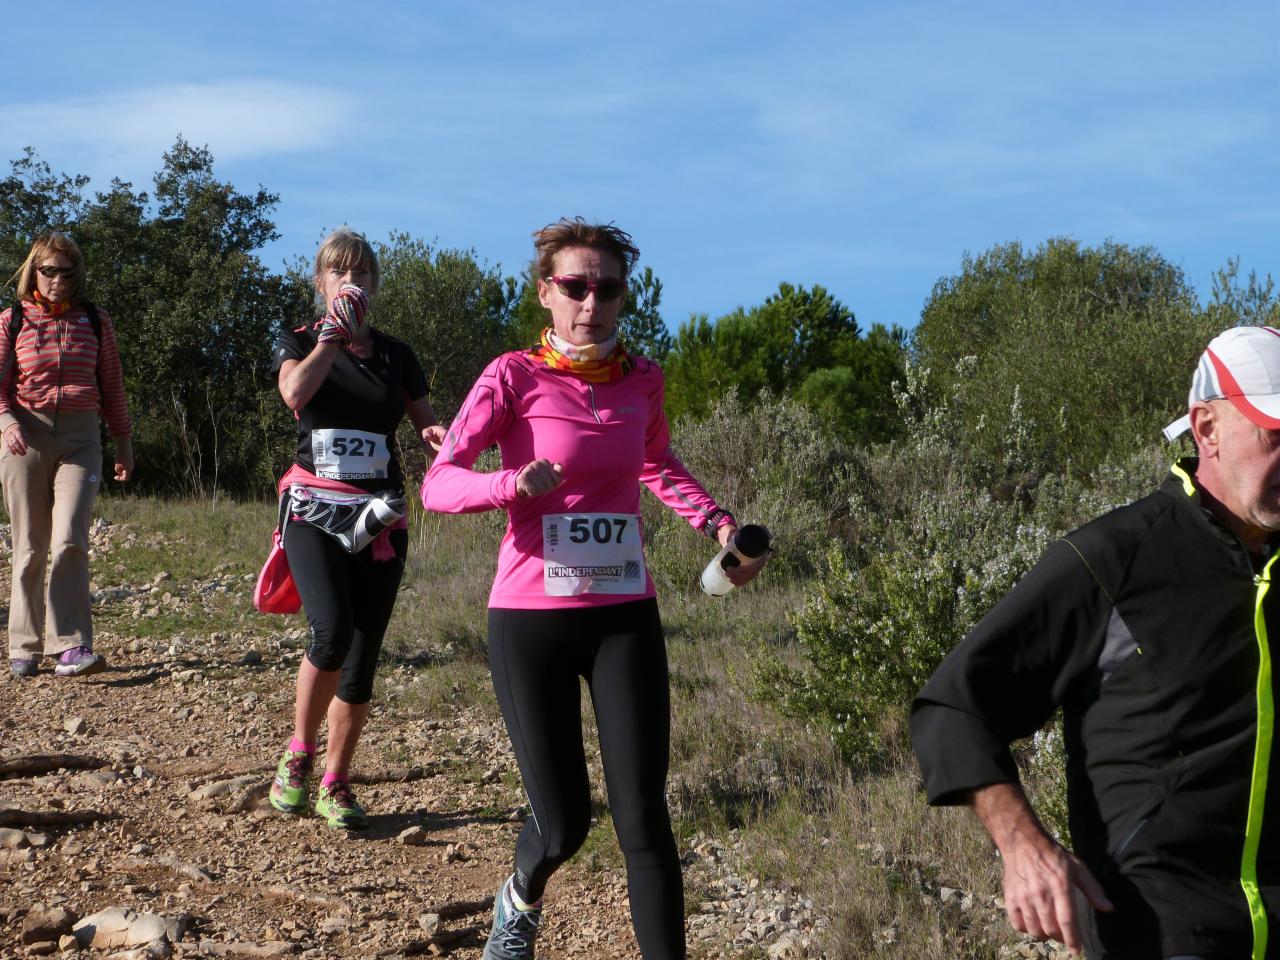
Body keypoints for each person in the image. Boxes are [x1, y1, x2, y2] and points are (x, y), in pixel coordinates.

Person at [422, 218, 767, 960]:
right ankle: (519, 900)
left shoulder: (642, 378)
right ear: (547, 292)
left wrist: (718, 525)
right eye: (575, 286)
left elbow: (657, 463)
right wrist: (509, 484)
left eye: (607, 287)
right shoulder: (512, 376)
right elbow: (439, 484)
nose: (592, 302)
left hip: (624, 614)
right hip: (530, 619)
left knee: (644, 817)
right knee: (565, 825)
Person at [910, 324, 1280, 959]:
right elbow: (954, 707)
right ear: (1207, 428)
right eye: (1275, 438)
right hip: (1163, 932)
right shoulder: (1114, 559)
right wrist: (1022, 845)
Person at [267, 227, 444, 830]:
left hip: (380, 514)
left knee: (364, 656)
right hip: (314, 505)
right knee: (332, 630)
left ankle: (336, 781)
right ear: (321, 285)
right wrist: (330, 339)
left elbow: (423, 422)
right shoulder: (296, 339)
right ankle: (299, 755)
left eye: (362, 274)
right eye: (339, 273)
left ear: (375, 285)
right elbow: (295, 393)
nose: (352, 282)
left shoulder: (397, 354)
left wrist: (438, 438)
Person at [2, 232, 133, 679]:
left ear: (78, 275)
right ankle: (23, 646)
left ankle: (72, 645)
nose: (57, 279)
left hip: (82, 440)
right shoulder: (12, 320)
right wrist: (8, 423)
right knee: (29, 547)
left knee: (70, 540)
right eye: (49, 270)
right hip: (25, 439)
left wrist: (123, 443)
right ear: (33, 271)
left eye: (67, 271)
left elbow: (112, 386)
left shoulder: (95, 321)